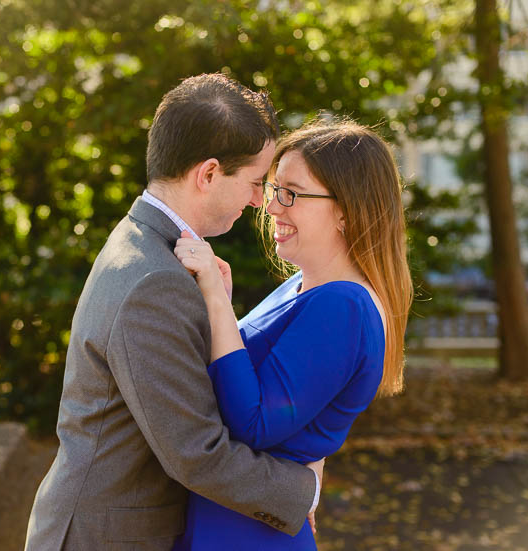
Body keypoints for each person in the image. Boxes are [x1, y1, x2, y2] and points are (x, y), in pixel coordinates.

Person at [24, 73, 324, 551]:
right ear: (207, 174)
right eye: (252, 182)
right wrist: (302, 490)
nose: (256, 200)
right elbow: (195, 452)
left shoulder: (149, 246)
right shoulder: (155, 278)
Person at [173, 119, 413, 549]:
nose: (272, 207)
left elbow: (255, 421)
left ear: (346, 210)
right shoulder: (303, 285)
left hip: (250, 535)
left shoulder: (345, 307)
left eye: (292, 193)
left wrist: (213, 297)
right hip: (229, 519)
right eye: (273, 190)